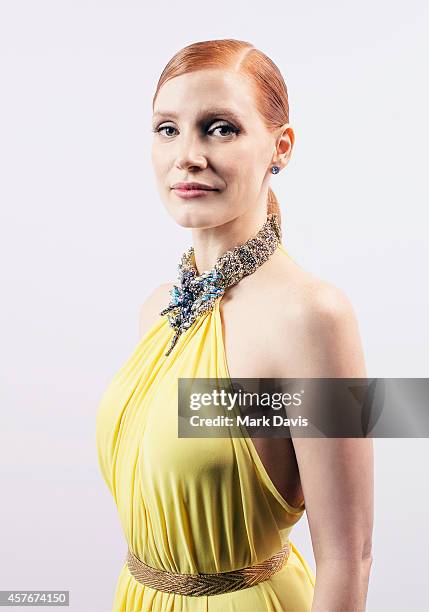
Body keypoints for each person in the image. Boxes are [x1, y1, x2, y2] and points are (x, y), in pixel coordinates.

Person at [96, 38, 373, 612]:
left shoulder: (314, 317)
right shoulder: (157, 310)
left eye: (220, 128)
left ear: (282, 146)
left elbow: (350, 555)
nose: (188, 156)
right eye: (167, 128)